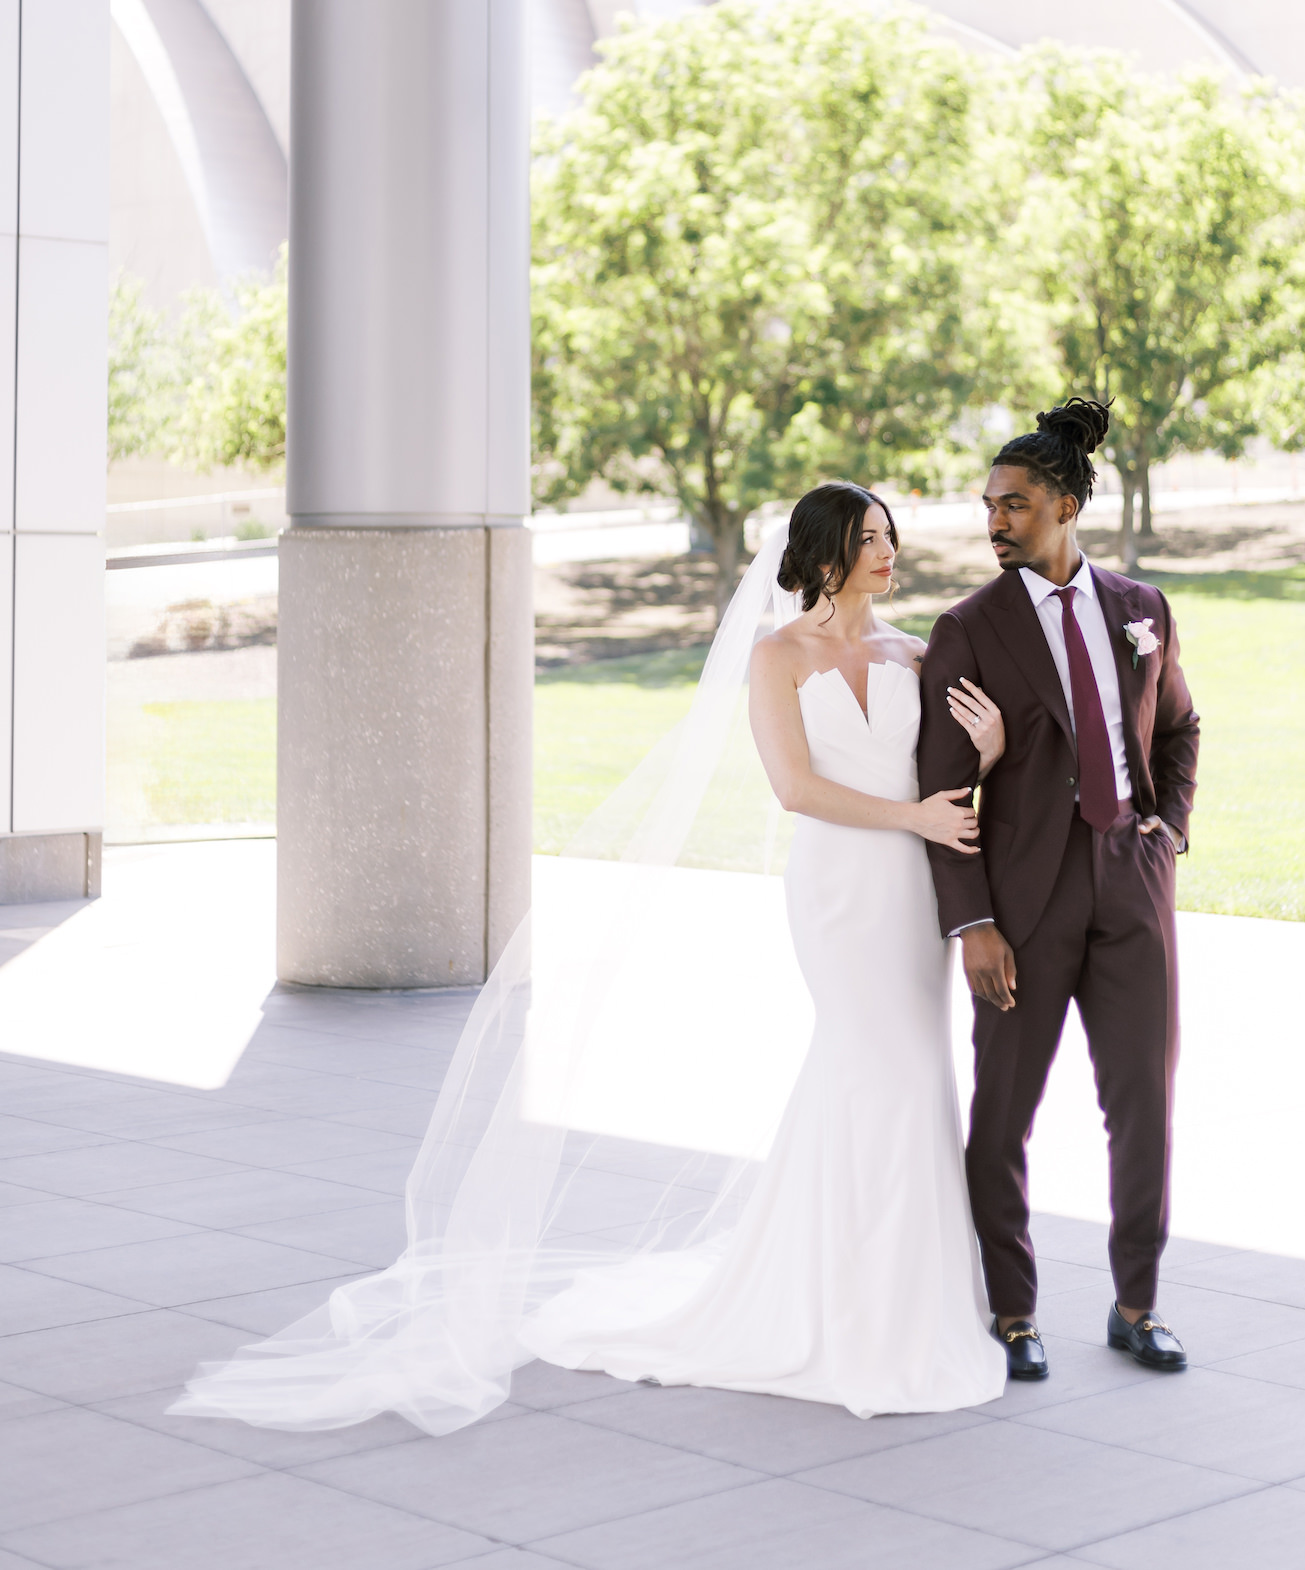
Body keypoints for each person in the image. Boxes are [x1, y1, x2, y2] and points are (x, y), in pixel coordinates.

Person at [175, 481, 1010, 1432]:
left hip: (908, 891)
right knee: (878, 1068)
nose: (887, 552)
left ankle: (889, 1295)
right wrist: (910, 815)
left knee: (900, 1075)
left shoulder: (915, 650)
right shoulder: (776, 656)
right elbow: (793, 788)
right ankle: (851, 1310)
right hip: (837, 892)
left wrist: (980, 757)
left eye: (889, 537)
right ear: (824, 554)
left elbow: (940, 778)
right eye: (869, 539)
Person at [918, 399, 1199, 1382]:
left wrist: (1169, 831)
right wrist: (974, 922)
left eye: (1017, 505)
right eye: (990, 505)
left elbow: (1177, 730)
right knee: (1002, 1116)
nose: (995, 522)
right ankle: (1012, 1312)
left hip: (1132, 892)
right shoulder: (968, 631)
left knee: (1144, 1106)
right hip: (1022, 911)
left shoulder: (1142, 611)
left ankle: (1137, 1305)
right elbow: (941, 790)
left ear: (1069, 506)